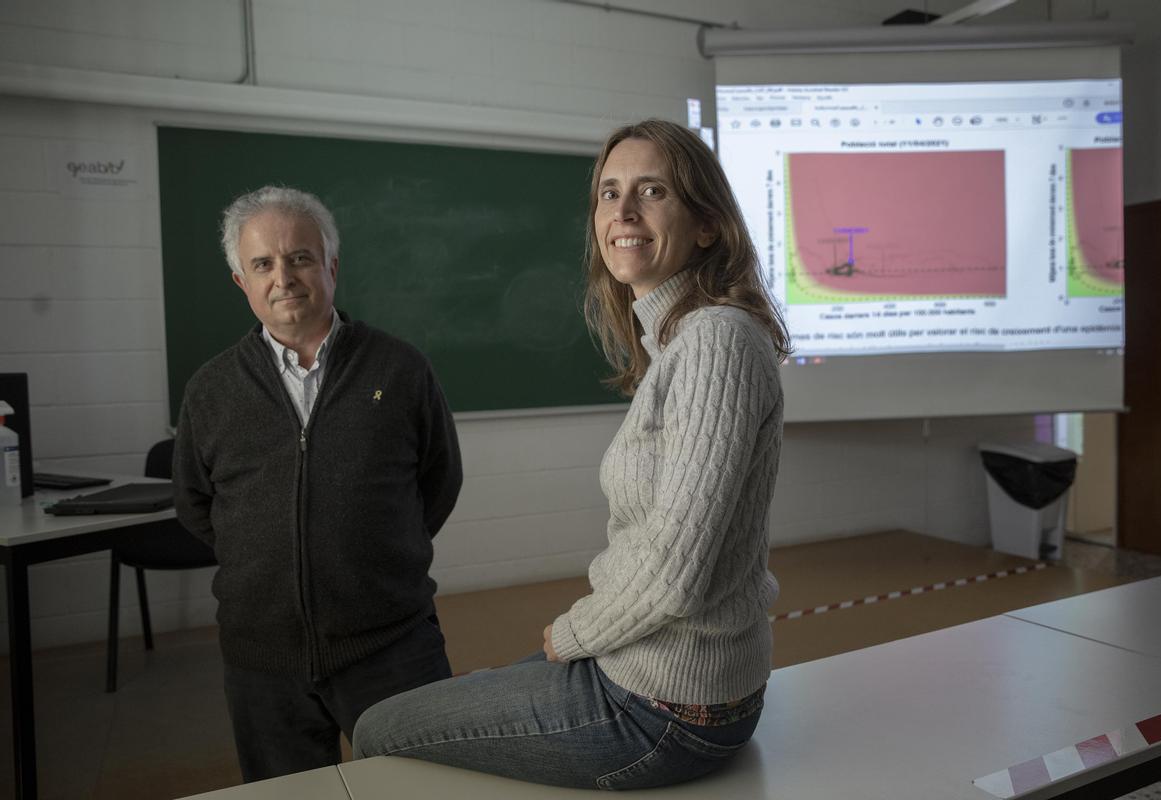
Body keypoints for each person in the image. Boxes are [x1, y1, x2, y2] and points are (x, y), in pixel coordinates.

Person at [352, 119, 790, 790]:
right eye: (609, 193)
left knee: (379, 730)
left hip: (664, 709)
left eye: (652, 191)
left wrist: (576, 633)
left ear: (707, 225)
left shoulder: (715, 342)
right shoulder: (678, 343)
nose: (623, 211)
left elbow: (675, 571)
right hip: (655, 678)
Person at [173, 185, 463, 782]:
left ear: (331, 265)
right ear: (242, 282)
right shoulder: (210, 389)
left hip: (391, 647)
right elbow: (197, 505)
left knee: (424, 790)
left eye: (300, 257)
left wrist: (370, 554)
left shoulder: (400, 369)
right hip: (262, 661)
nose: (284, 276)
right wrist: (267, 559)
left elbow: (438, 482)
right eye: (263, 264)